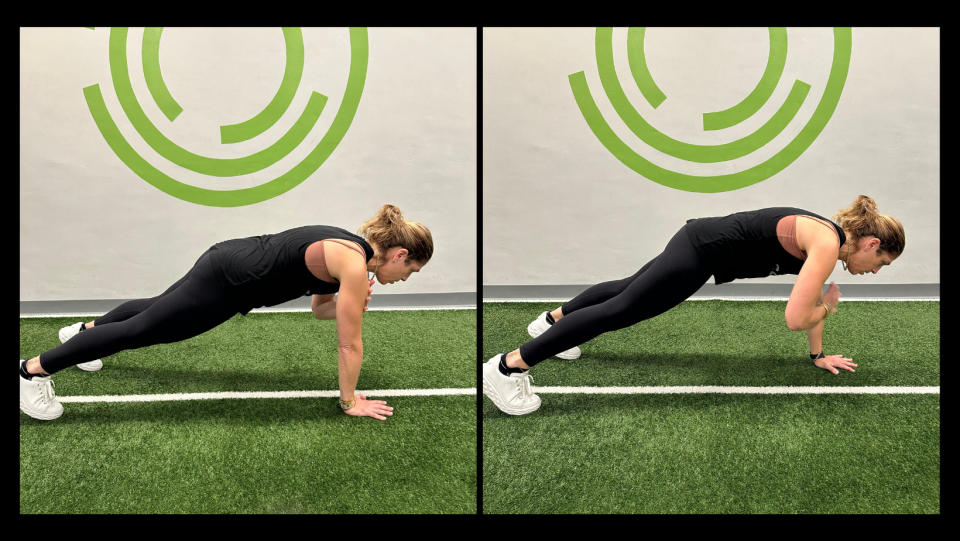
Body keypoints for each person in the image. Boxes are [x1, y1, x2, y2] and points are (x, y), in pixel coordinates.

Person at [483, 195, 905, 415]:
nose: (874, 271)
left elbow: (812, 299)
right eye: (881, 262)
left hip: (700, 243)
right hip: (702, 251)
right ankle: (507, 367)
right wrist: (828, 309)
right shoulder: (828, 244)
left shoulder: (827, 243)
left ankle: (550, 322)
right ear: (871, 243)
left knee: (627, 289)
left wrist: (818, 354)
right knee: (624, 308)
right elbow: (797, 317)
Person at [20, 204, 433, 421]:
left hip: (226, 260)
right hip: (229, 283)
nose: (406, 277)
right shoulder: (355, 265)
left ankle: (81, 333)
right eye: (410, 269)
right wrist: (350, 402)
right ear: (399, 253)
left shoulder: (352, 254)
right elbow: (349, 344)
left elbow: (320, 311)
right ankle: (31, 371)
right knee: (145, 329)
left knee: (151, 310)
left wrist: (350, 301)